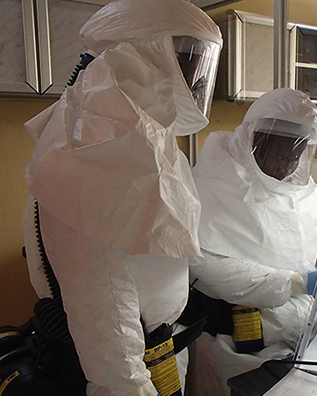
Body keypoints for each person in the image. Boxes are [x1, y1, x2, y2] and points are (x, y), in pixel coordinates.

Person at [21, 0, 222, 395]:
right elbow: (103, 314)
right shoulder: (88, 151)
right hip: (126, 373)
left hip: (159, 353)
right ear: (143, 54)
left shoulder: (148, 140)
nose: (197, 81)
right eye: (188, 61)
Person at [189, 88, 317, 393]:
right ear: (255, 140)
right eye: (281, 154)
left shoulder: (300, 191)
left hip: (295, 340)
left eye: (296, 155)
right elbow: (211, 269)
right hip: (237, 351)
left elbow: (304, 250)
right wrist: (301, 282)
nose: (287, 166)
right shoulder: (214, 184)